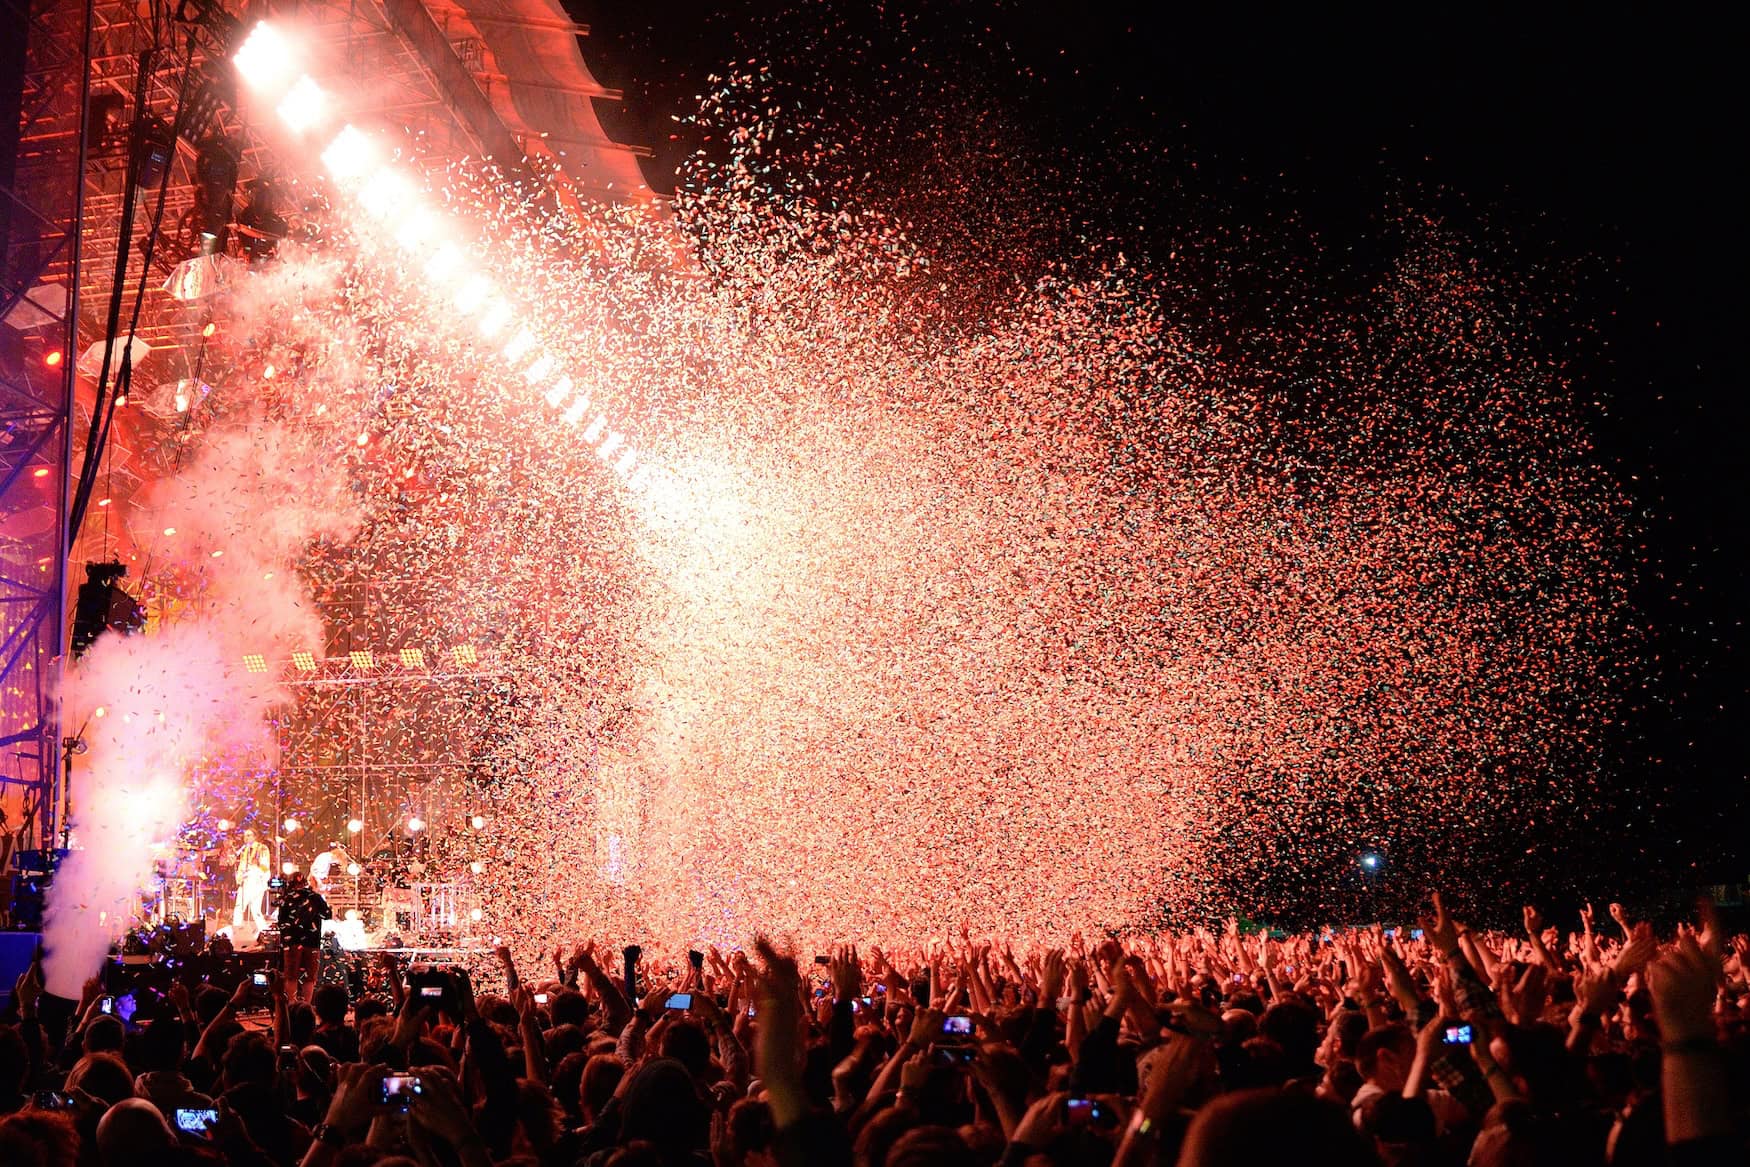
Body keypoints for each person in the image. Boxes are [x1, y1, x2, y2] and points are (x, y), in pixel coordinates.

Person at [276, 873, 332, 1006]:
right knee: (310, 976)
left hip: (292, 943)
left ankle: (291, 1004)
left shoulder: (287, 898)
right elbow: (327, 915)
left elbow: (281, 922)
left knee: (291, 975)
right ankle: (306, 1005)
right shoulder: (315, 897)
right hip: (312, 942)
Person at [230, 829, 271, 932]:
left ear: (255, 836)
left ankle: (264, 933)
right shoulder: (245, 850)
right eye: (245, 836)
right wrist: (239, 877)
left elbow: (265, 866)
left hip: (256, 881)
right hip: (246, 882)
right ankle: (237, 930)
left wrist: (254, 871)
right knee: (240, 906)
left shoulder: (262, 848)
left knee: (255, 910)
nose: (246, 838)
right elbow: (241, 866)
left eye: (249, 835)